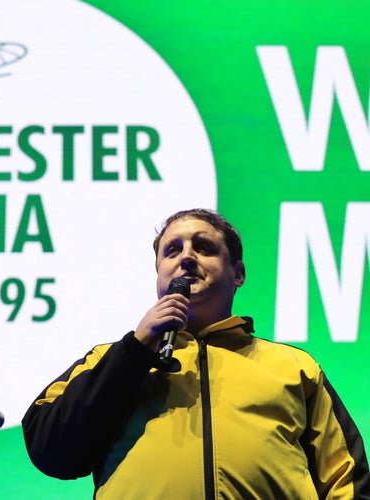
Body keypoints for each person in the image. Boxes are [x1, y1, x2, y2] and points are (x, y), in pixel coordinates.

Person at [22, 208, 369, 498]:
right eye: (172, 251)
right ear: (159, 275)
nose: (186, 256)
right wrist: (136, 350)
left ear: (238, 273)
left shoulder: (295, 367)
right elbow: (51, 451)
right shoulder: (111, 359)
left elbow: (346, 476)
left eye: (203, 247)